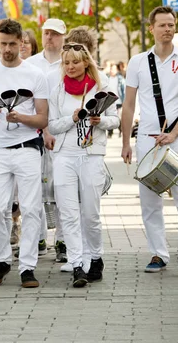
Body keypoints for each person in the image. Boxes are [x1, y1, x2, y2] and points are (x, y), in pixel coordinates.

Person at [121, 6, 178, 279]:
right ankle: (158, 253)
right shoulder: (138, 62)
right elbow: (129, 105)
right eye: (162, 25)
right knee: (149, 200)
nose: (167, 29)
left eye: (171, 24)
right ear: (152, 28)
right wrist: (125, 143)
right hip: (148, 140)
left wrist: (176, 133)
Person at [0, 19, 48, 288]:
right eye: (3, 44)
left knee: (29, 208)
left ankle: (27, 266)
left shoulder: (34, 74)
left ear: (21, 43)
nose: (7, 49)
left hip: (27, 147)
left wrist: (23, 117)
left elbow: (42, 120)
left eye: (12, 44)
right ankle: (3, 259)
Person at [48, 42, 119, 287]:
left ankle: (95, 258)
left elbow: (115, 120)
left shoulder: (100, 87)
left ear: (86, 62)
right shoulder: (58, 90)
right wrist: (72, 118)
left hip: (91, 155)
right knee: (68, 213)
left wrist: (99, 121)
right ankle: (78, 264)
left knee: (90, 212)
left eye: (75, 62)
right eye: (66, 62)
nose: (70, 67)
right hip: (64, 156)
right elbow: (52, 125)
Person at [25, 18, 67, 260]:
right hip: (35, 133)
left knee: (62, 187)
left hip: (63, 132)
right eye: (46, 33)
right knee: (35, 188)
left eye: (55, 34)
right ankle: (39, 236)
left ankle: (62, 240)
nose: (50, 37)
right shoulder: (30, 64)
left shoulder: (69, 63)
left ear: (63, 36)